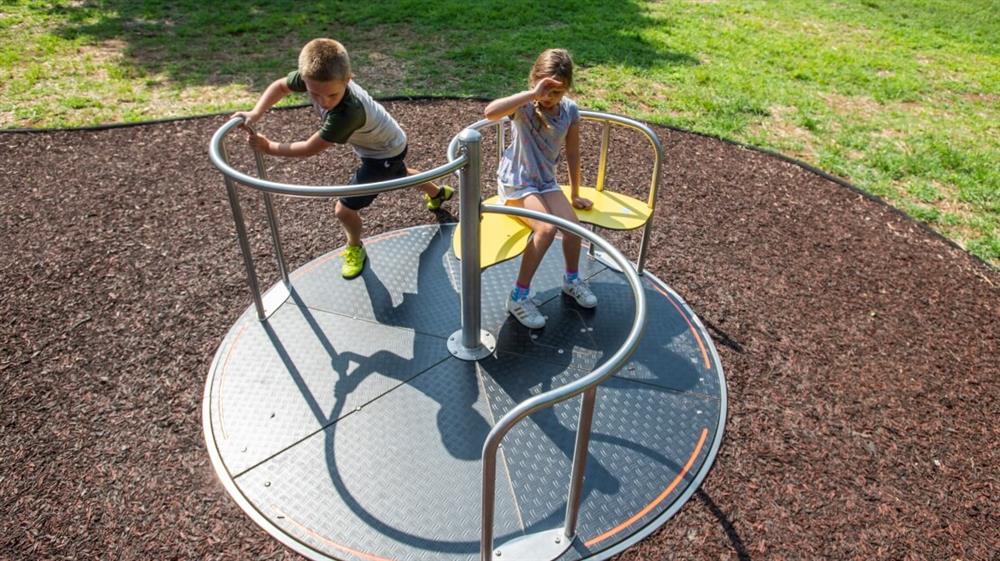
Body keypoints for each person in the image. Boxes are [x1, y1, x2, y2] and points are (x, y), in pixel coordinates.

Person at [232, 38, 453, 279]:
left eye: (332, 95)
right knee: (397, 174)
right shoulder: (316, 77)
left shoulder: (347, 112)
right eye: (314, 94)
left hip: (384, 152)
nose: (324, 101)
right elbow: (281, 86)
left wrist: (268, 147)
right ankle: (437, 193)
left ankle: (355, 246)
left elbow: (309, 148)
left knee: (343, 211)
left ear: (349, 79)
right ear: (304, 79)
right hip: (387, 142)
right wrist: (256, 112)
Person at [483, 48, 597, 329]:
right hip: (517, 183)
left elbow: (572, 154)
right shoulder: (524, 106)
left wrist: (575, 193)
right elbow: (490, 113)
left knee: (573, 226)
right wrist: (534, 94)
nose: (549, 98)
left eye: (556, 93)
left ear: (567, 89)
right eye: (545, 89)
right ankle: (518, 296)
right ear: (534, 81)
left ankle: (571, 280)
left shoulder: (569, 110)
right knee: (546, 229)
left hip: (544, 181)